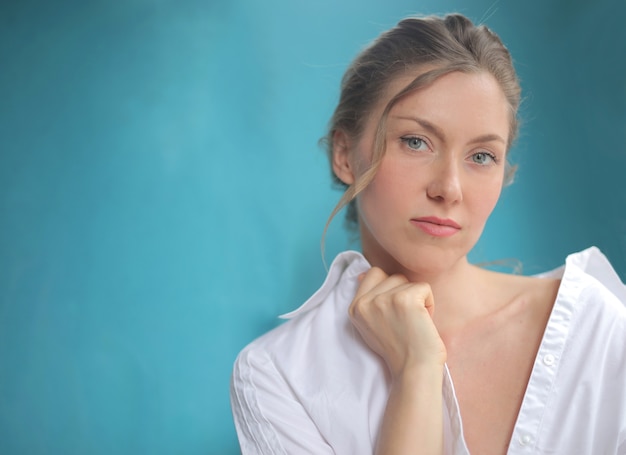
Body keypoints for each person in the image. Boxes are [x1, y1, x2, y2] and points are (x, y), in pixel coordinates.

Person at [230, 13, 626, 454]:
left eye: (481, 156)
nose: (449, 189)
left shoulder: (598, 331)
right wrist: (416, 371)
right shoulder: (279, 374)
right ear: (345, 155)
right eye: (416, 142)